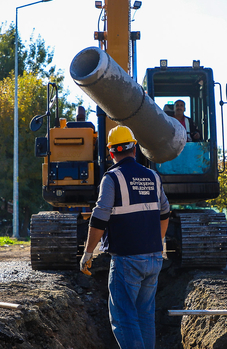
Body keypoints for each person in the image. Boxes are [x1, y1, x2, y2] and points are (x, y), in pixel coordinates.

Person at [80, 125, 170, 349]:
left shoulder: (112, 178)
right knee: (144, 316)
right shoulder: (153, 176)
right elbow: (165, 213)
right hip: (153, 258)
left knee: (123, 317)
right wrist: (155, 245)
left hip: (127, 260)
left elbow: (99, 218)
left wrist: (88, 252)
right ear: (135, 148)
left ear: (111, 153)